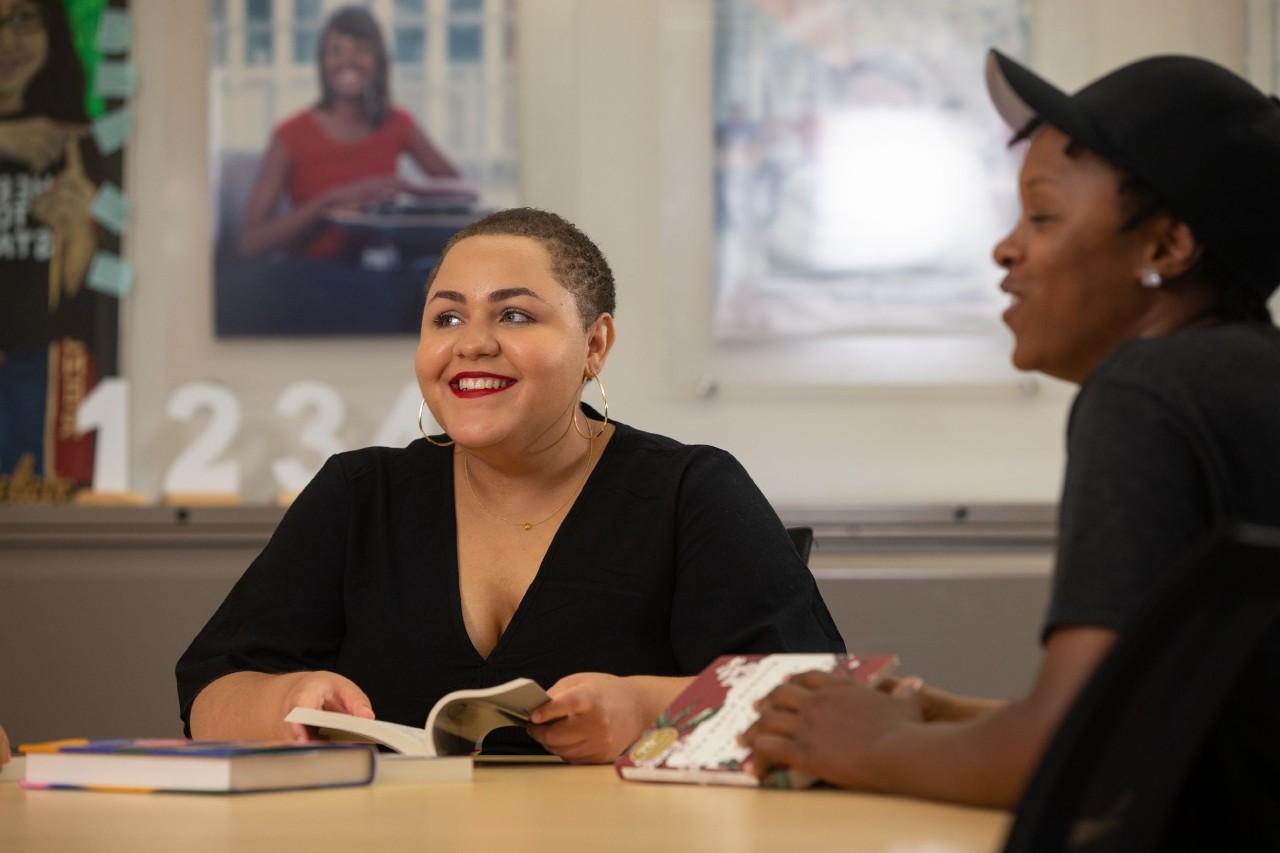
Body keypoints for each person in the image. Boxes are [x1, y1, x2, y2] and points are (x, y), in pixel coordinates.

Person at [742, 48, 1280, 826]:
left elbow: (1082, 757)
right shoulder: (1246, 381)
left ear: (1166, 247)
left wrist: (869, 745)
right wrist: (946, 716)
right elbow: (1169, 726)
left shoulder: (1145, 390)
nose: (1006, 248)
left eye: (1042, 215)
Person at [179, 207, 845, 762]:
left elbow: (817, 700)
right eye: (446, 317)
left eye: (515, 316)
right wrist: (284, 698)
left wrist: (646, 710)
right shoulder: (359, 494)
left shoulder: (692, 491)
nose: (471, 343)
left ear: (595, 344)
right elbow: (209, 693)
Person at [236, 5, 475, 262]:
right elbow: (250, 243)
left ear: (378, 61)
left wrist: (405, 185)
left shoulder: (397, 123)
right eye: (336, 51)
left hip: (381, 270)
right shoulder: (291, 135)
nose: (348, 61)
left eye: (361, 50)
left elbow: (464, 191)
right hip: (312, 274)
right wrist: (328, 202)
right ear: (322, 61)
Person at [0, 0, 97, 480]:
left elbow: (80, 285)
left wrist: (78, 232)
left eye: (23, 19)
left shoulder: (76, 141)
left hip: (35, 356)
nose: (6, 42)